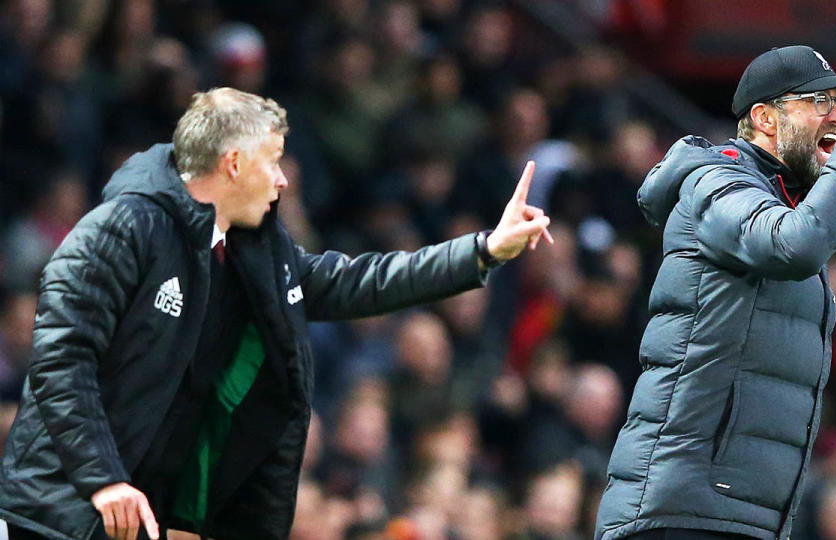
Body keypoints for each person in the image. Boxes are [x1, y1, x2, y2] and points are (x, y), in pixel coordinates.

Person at [0, 87, 552, 540]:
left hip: (135, 518)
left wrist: (482, 249)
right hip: (56, 514)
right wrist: (103, 481)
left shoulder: (256, 250)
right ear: (234, 163)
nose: (285, 179)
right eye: (274, 162)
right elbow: (61, 362)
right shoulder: (122, 229)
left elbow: (359, 281)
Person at [594, 46, 836, 540]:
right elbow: (796, 246)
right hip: (682, 511)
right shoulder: (718, 181)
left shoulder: (777, 199)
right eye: (821, 101)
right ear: (764, 118)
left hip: (738, 515)